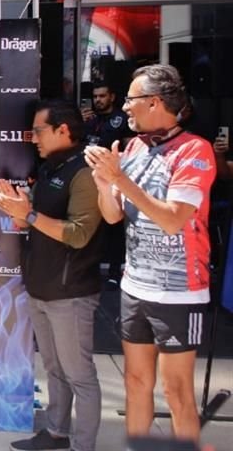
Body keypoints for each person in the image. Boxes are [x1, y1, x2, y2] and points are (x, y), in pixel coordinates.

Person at [84, 64, 216, 446]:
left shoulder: (195, 150)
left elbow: (174, 219)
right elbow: (111, 216)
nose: (125, 107)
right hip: (134, 285)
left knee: (177, 393)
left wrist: (120, 178)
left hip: (179, 291)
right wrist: (103, 182)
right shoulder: (133, 147)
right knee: (136, 383)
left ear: (155, 102)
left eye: (130, 99)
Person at [0, 101, 104, 451]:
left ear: (63, 130)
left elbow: (79, 233)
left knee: (80, 376)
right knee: (55, 370)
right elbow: (38, 219)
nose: (32, 138)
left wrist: (28, 215)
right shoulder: (50, 168)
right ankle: (57, 433)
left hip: (70, 291)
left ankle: (83, 445)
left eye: (38, 130)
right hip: (43, 286)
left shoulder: (85, 172)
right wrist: (20, 207)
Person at [82, 83, 132, 283]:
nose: (98, 100)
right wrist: (80, 122)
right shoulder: (89, 119)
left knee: (114, 226)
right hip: (87, 176)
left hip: (112, 177)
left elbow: (129, 150)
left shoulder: (122, 119)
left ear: (112, 96)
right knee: (91, 224)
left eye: (102, 96)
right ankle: (88, 268)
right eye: (95, 97)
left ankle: (114, 271)